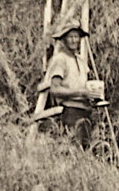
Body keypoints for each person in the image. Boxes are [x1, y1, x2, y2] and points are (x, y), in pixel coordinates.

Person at [38, 19, 95, 149]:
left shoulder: (81, 60)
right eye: (70, 37)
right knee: (71, 149)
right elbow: (55, 89)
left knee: (85, 152)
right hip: (70, 112)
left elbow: (84, 85)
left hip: (85, 111)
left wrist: (92, 94)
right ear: (64, 39)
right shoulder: (60, 59)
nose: (74, 40)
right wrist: (80, 92)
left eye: (76, 37)